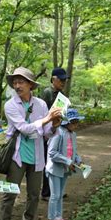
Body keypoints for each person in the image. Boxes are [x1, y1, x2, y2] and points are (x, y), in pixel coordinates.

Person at [0, 67, 62, 220]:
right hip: (17, 155)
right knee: (10, 193)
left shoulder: (41, 104)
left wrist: (54, 125)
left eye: (21, 82)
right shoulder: (10, 105)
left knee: (34, 194)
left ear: (31, 85)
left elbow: (47, 133)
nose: (17, 86)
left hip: (37, 155)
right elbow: (24, 128)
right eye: (15, 82)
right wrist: (46, 119)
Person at [45, 108, 84, 220]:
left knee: (60, 194)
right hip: (55, 169)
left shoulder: (73, 134)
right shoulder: (58, 133)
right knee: (55, 195)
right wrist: (67, 161)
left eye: (77, 122)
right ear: (67, 122)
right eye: (74, 122)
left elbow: (73, 150)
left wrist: (78, 160)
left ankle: (58, 216)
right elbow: (52, 153)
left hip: (65, 170)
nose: (76, 125)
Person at [40, 68, 70, 201]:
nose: (63, 82)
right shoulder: (47, 92)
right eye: (61, 79)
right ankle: (46, 192)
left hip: (57, 130)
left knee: (56, 160)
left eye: (65, 80)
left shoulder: (61, 94)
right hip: (47, 131)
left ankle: (54, 190)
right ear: (53, 79)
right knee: (48, 161)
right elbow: (42, 112)